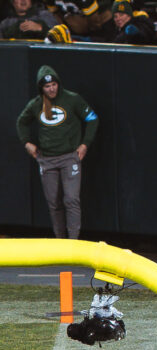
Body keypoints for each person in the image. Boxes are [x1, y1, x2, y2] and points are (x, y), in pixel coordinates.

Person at [16, 65, 99, 240]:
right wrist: (27, 143)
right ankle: (60, 241)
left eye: (54, 84)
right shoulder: (36, 105)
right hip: (47, 160)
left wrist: (85, 144)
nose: (51, 88)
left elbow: (92, 118)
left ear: (58, 84)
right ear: (41, 88)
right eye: (47, 86)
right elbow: (21, 122)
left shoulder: (72, 99)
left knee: (71, 200)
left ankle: (73, 242)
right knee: (53, 203)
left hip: (70, 157)